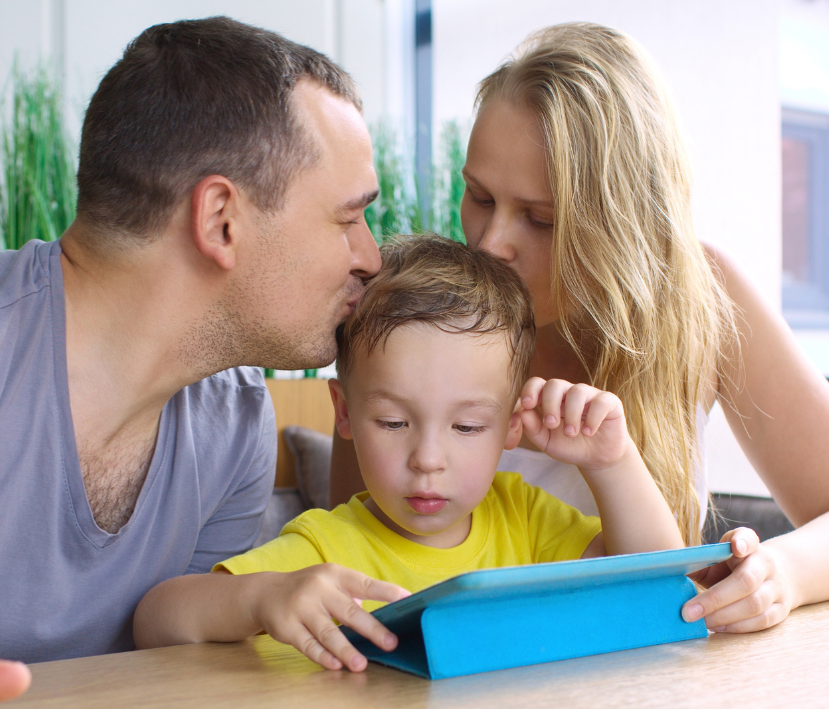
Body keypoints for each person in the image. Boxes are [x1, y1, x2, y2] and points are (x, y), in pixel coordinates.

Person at [0, 17, 382, 709]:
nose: (370, 256)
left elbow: (189, 684)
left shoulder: (235, 427)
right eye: (348, 221)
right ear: (221, 220)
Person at [331, 21, 829, 636]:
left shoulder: (704, 295)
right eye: (479, 196)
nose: (490, 244)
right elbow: (354, 546)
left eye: (541, 219)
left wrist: (784, 572)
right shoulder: (413, 323)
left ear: (624, 223)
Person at [133, 234, 685, 671]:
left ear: (512, 424)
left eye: (467, 426)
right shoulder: (326, 548)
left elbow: (659, 587)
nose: (427, 458)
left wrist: (611, 464)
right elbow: (155, 619)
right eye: (394, 421)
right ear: (344, 412)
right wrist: (262, 598)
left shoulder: (525, 519)